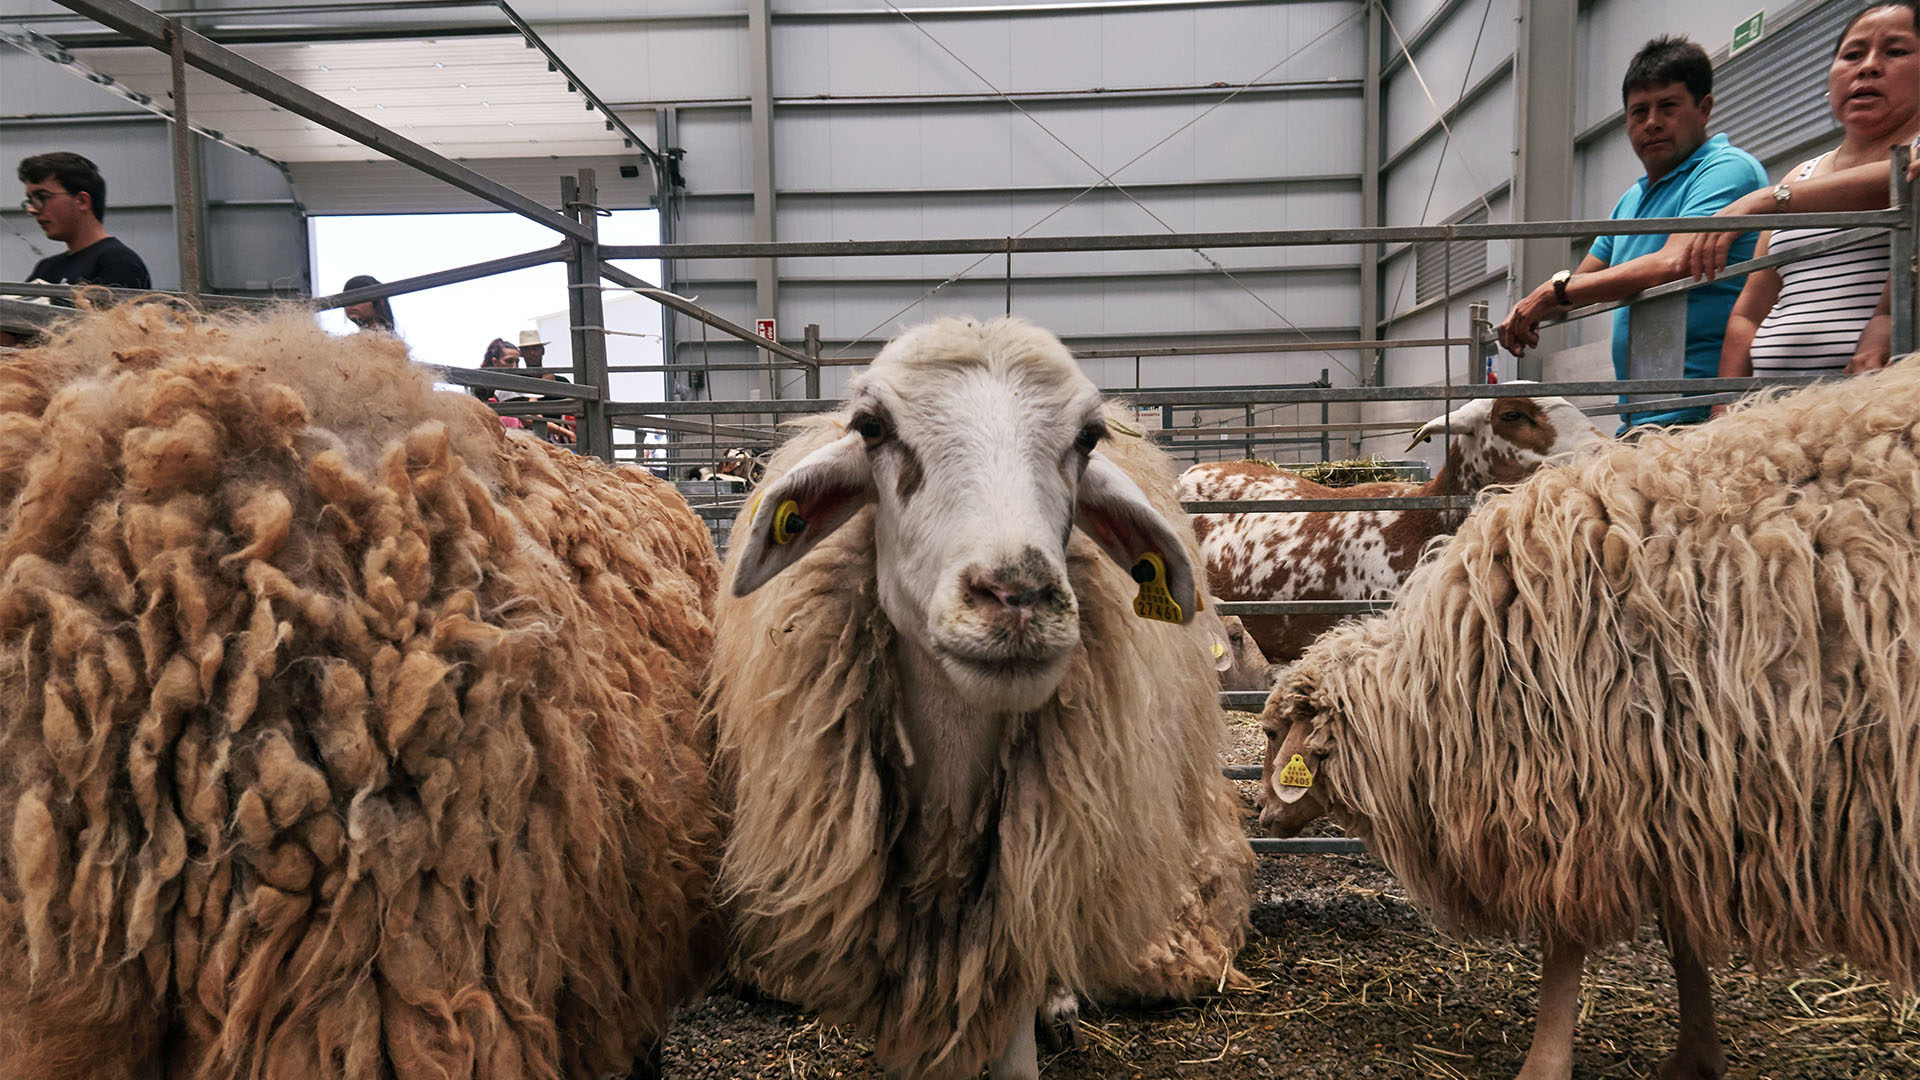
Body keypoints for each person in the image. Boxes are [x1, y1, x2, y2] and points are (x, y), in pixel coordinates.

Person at [1496, 36, 1767, 429]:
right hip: (1641, 418)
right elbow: (1583, 283)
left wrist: (1550, 294)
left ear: (1704, 108)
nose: (1651, 122)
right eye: (1639, 111)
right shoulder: (1631, 201)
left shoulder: (1725, 170)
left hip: (1708, 415)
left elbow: (1672, 262)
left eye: (1668, 107)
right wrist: (1526, 311)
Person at [1700, 1, 1918, 396]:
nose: (1867, 66)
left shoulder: (1783, 194)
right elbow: (1749, 312)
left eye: (1896, 51)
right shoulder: (1798, 177)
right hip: (1773, 421)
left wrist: (1768, 199)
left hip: (1871, 411)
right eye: (1852, 54)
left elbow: (1898, 179)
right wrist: (1724, 408)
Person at [16, 152, 151, 291]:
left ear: (82, 201)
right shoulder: (46, 269)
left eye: (42, 197)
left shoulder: (119, 263)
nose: (33, 209)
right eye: (31, 201)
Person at [516, 327, 577, 446]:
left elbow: (576, 410)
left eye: (535, 348)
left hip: (560, 442)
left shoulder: (560, 382)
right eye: (527, 349)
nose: (532, 353)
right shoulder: (516, 382)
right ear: (521, 353)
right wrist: (543, 385)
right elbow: (526, 418)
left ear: (542, 351)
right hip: (527, 442)